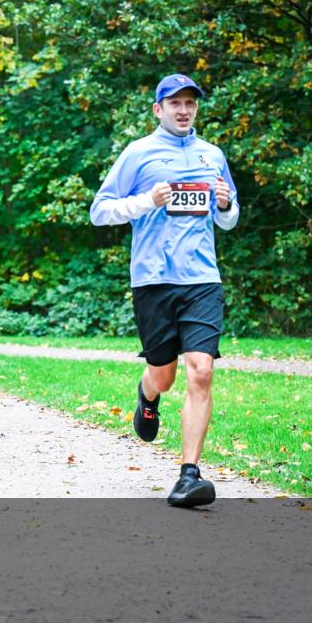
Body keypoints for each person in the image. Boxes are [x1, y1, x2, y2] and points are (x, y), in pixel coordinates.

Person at [89, 73, 240, 508]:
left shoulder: (212, 155)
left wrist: (226, 203)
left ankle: (189, 476)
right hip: (153, 280)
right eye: (174, 103)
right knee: (165, 373)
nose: (183, 110)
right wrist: (145, 202)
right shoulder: (138, 153)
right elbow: (100, 211)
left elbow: (227, 218)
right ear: (158, 109)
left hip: (201, 279)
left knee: (201, 369)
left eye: (190, 103)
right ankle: (148, 394)